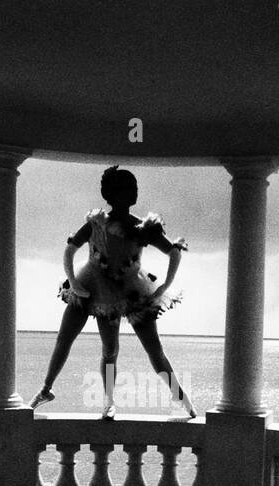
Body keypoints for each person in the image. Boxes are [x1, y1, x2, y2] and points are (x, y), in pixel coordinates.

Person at [29, 166, 197, 419]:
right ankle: (51, 391)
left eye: (135, 189)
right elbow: (69, 250)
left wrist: (164, 286)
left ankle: (181, 397)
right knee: (89, 344)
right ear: (113, 194)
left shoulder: (143, 227)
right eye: (128, 189)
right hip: (93, 285)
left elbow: (174, 250)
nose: (134, 193)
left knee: (153, 349)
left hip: (132, 289)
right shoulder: (96, 223)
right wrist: (74, 283)